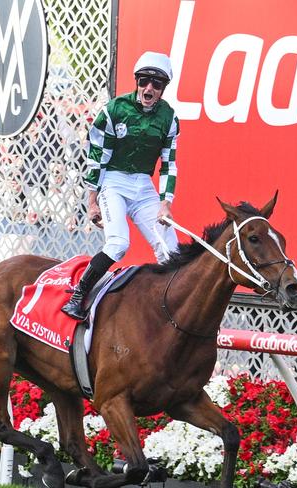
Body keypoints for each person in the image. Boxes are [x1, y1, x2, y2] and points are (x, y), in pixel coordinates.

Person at [61, 51, 180, 320]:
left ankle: (168, 311)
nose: (149, 88)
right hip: (113, 182)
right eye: (144, 81)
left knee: (170, 250)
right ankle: (79, 295)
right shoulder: (114, 110)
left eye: (157, 84)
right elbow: (97, 157)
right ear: (137, 81)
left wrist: (165, 203)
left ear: (163, 89)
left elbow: (169, 164)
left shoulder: (169, 118)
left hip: (143, 185)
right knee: (118, 244)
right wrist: (92, 200)